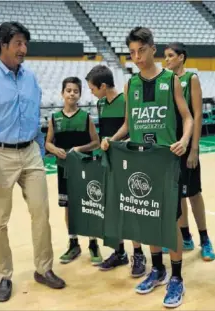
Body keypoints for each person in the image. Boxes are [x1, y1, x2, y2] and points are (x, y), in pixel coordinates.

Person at [0, 22, 65, 303]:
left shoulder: (30, 78)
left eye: (25, 44)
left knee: (41, 212)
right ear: (3, 45)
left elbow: (34, 115)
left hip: (30, 151)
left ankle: (44, 269)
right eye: (18, 43)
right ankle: (4, 276)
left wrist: (39, 147)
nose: (24, 49)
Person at [100, 27, 193, 308]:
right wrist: (112, 139)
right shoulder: (131, 85)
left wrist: (185, 139)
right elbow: (129, 124)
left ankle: (176, 276)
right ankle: (158, 270)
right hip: (139, 162)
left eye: (141, 50)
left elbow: (187, 118)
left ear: (153, 48)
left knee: (172, 220)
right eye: (132, 53)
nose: (137, 57)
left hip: (165, 161)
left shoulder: (171, 80)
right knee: (147, 218)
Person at [85, 65, 147, 277]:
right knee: (112, 209)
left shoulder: (125, 100)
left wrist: (118, 142)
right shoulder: (100, 103)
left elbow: (131, 127)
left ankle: (138, 253)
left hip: (126, 160)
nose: (91, 92)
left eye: (93, 88)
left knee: (129, 208)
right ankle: (119, 251)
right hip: (107, 160)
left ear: (103, 85)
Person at [162, 42, 215, 261]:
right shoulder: (165, 80)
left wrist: (194, 149)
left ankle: (205, 239)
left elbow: (196, 115)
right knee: (177, 194)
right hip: (171, 144)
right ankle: (185, 237)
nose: (167, 60)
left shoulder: (190, 79)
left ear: (182, 57)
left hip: (187, 145)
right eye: (165, 56)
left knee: (193, 193)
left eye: (171, 56)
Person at [45, 77, 102, 265]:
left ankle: (93, 244)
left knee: (89, 205)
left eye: (75, 91)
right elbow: (47, 142)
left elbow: (96, 142)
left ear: (79, 94)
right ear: (62, 93)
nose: (72, 93)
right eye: (68, 90)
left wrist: (79, 149)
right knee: (69, 206)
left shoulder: (85, 117)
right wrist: (54, 150)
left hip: (85, 167)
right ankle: (73, 243)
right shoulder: (55, 118)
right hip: (65, 170)